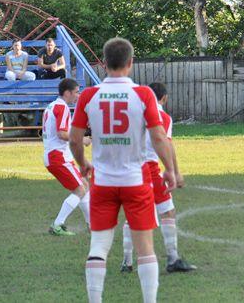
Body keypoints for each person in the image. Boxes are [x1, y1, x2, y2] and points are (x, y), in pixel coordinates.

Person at [70, 37, 176, 303]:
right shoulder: (142, 94)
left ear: (104, 64)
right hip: (135, 180)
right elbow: (159, 137)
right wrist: (170, 169)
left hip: (103, 181)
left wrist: (83, 163)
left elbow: (74, 138)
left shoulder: (89, 95)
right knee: (146, 249)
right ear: (130, 63)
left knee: (98, 247)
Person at [122, 82, 196, 274]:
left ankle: (127, 261)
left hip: (129, 168)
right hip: (150, 168)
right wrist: (174, 171)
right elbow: (165, 144)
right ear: (164, 98)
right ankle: (173, 258)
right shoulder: (162, 116)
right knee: (167, 212)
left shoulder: (133, 113)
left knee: (132, 214)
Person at [43, 77, 91, 235]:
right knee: (80, 189)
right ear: (67, 92)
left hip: (57, 155)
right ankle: (57, 225)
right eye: (76, 92)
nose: (78, 96)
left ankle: (92, 225)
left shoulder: (52, 106)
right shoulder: (62, 107)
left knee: (84, 185)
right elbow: (62, 134)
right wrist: (81, 139)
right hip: (58, 156)